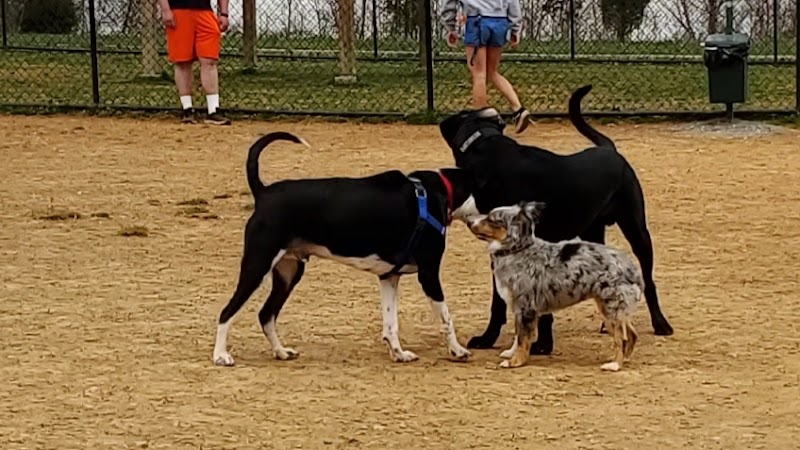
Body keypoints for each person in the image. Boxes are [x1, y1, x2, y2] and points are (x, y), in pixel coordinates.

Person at [441, 0, 531, 134]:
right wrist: (515, 29)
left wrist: (450, 28)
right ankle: (518, 109)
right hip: (500, 22)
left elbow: (449, 5)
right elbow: (513, 3)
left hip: (477, 21)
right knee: (492, 71)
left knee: (479, 74)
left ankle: (481, 122)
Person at [159, 0, 231, 125]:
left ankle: (213, 110)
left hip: (205, 12)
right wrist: (165, 10)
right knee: (182, 61)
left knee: (209, 60)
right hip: (178, 11)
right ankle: (187, 109)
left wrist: (224, 13)